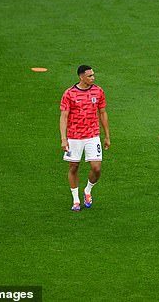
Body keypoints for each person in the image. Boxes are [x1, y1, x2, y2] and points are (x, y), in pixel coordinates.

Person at [60, 65, 110, 212]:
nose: (93, 78)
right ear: (81, 77)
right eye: (89, 76)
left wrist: (107, 135)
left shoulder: (98, 91)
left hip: (93, 135)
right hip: (74, 137)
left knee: (97, 168)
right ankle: (75, 200)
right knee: (74, 167)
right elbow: (63, 117)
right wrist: (64, 138)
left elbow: (103, 113)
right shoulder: (69, 94)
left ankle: (87, 191)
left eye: (93, 75)